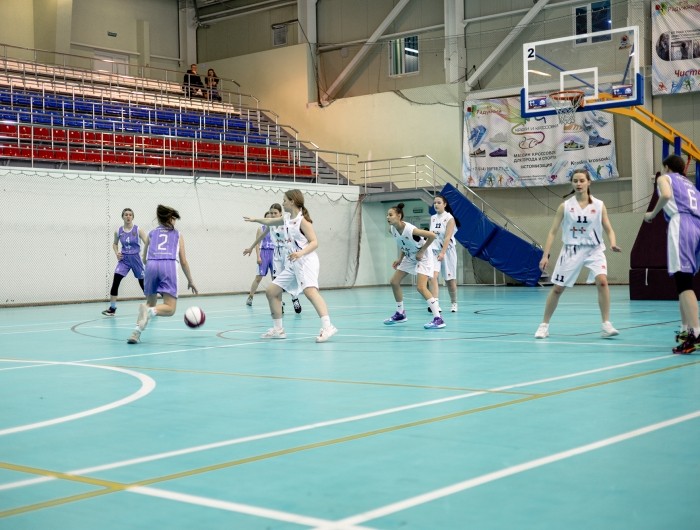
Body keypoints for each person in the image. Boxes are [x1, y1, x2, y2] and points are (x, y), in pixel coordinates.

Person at [535, 169, 621, 339]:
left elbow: (609, 228)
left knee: (602, 281)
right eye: (575, 181)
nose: (579, 184)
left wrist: (612, 243)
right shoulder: (565, 206)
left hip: (594, 249)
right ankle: (544, 325)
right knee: (558, 289)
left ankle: (606, 324)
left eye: (582, 180)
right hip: (571, 249)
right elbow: (552, 232)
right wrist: (545, 255)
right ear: (572, 184)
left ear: (589, 182)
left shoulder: (599, 205)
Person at [244, 190, 336, 342]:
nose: (283, 203)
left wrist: (300, 253)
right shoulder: (286, 218)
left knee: (310, 292)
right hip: (294, 263)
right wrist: (255, 219)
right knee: (271, 291)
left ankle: (328, 327)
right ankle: (278, 329)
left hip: (306, 261)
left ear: (292, 201)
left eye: (285, 200)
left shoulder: (302, 221)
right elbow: (270, 222)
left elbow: (314, 242)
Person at [644, 154, 700, 354]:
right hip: (697, 226)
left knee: (684, 283)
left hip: (682, 223)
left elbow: (666, 195)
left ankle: (696, 334)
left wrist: (652, 214)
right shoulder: (691, 185)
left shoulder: (664, 177)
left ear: (666, 167)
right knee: (683, 282)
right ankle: (686, 330)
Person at [127, 205, 198, 344]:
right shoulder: (177, 235)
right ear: (171, 219)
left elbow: (144, 259)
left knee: (149, 303)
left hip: (151, 266)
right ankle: (150, 312)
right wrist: (190, 280)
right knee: (170, 308)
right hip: (168, 266)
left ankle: (135, 333)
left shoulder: (152, 233)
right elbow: (183, 261)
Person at [383, 202, 444, 329]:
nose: (388, 217)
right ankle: (400, 313)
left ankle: (438, 318)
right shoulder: (392, 229)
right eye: (387, 215)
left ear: (399, 216)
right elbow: (403, 244)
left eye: (390, 215)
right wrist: (400, 259)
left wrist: (422, 251)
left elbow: (432, 236)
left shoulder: (411, 230)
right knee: (394, 281)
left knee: (421, 287)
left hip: (423, 256)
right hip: (410, 255)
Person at [243, 203, 303, 313]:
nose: (273, 215)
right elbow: (260, 237)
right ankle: (279, 304)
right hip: (276, 254)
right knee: (277, 281)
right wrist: (251, 248)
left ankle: (294, 298)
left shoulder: (286, 223)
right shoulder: (270, 225)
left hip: (287, 253)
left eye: (275, 213)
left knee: (289, 278)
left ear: (280, 214)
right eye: (271, 213)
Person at [102, 208, 147, 316]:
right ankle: (112, 308)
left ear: (133, 217)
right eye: (126, 214)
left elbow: (148, 243)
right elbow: (115, 244)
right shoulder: (118, 231)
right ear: (122, 217)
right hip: (124, 260)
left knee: (143, 284)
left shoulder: (138, 230)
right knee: (116, 280)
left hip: (136, 259)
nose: (128, 216)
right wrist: (116, 253)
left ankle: (152, 306)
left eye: (130, 215)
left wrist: (146, 255)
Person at [428, 194, 460, 313]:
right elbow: (431, 235)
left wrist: (442, 252)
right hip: (434, 251)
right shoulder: (432, 218)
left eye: (438, 202)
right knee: (432, 277)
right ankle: (435, 304)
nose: (436, 205)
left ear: (445, 204)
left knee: (449, 280)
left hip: (447, 251)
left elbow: (447, 237)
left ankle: (454, 303)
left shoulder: (449, 218)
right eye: (434, 203)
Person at [243, 211, 275, 306]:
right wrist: (258, 256)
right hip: (264, 253)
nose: (269, 219)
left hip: (274, 253)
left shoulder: (276, 228)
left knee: (275, 278)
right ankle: (250, 297)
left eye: (271, 218)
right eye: (267, 218)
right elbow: (257, 243)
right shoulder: (261, 228)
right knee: (258, 277)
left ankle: (278, 298)